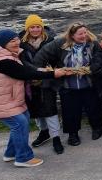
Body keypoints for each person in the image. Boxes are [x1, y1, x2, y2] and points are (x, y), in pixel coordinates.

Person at [0, 29, 69, 167]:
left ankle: (11, 153)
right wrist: (52, 74)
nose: (17, 42)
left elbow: (28, 69)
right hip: (1, 101)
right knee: (19, 124)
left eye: (17, 39)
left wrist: (44, 71)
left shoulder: (10, 55)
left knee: (23, 120)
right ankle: (23, 158)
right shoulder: (1, 60)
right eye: (12, 41)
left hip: (12, 99)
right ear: (3, 44)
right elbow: (24, 73)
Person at [33, 22, 102, 147]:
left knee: (94, 107)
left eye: (85, 32)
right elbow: (41, 55)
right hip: (67, 85)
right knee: (70, 111)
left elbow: (100, 58)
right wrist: (40, 72)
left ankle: (97, 128)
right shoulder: (60, 43)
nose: (84, 36)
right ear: (71, 34)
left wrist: (93, 67)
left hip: (89, 84)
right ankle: (73, 134)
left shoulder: (93, 43)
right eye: (80, 34)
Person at [18, 14, 64, 154]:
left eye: (38, 26)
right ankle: (44, 132)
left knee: (50, 110)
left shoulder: (51, 41)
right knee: (36, 110)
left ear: (42, 27)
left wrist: (53, 70)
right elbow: (21, 61)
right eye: (32, 27)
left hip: (47, 80)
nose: (35, 29)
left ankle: (56, 137)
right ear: (27, 29)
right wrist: (32, 72)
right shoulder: (20, 43)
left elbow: (57, 59)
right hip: (30, 82)